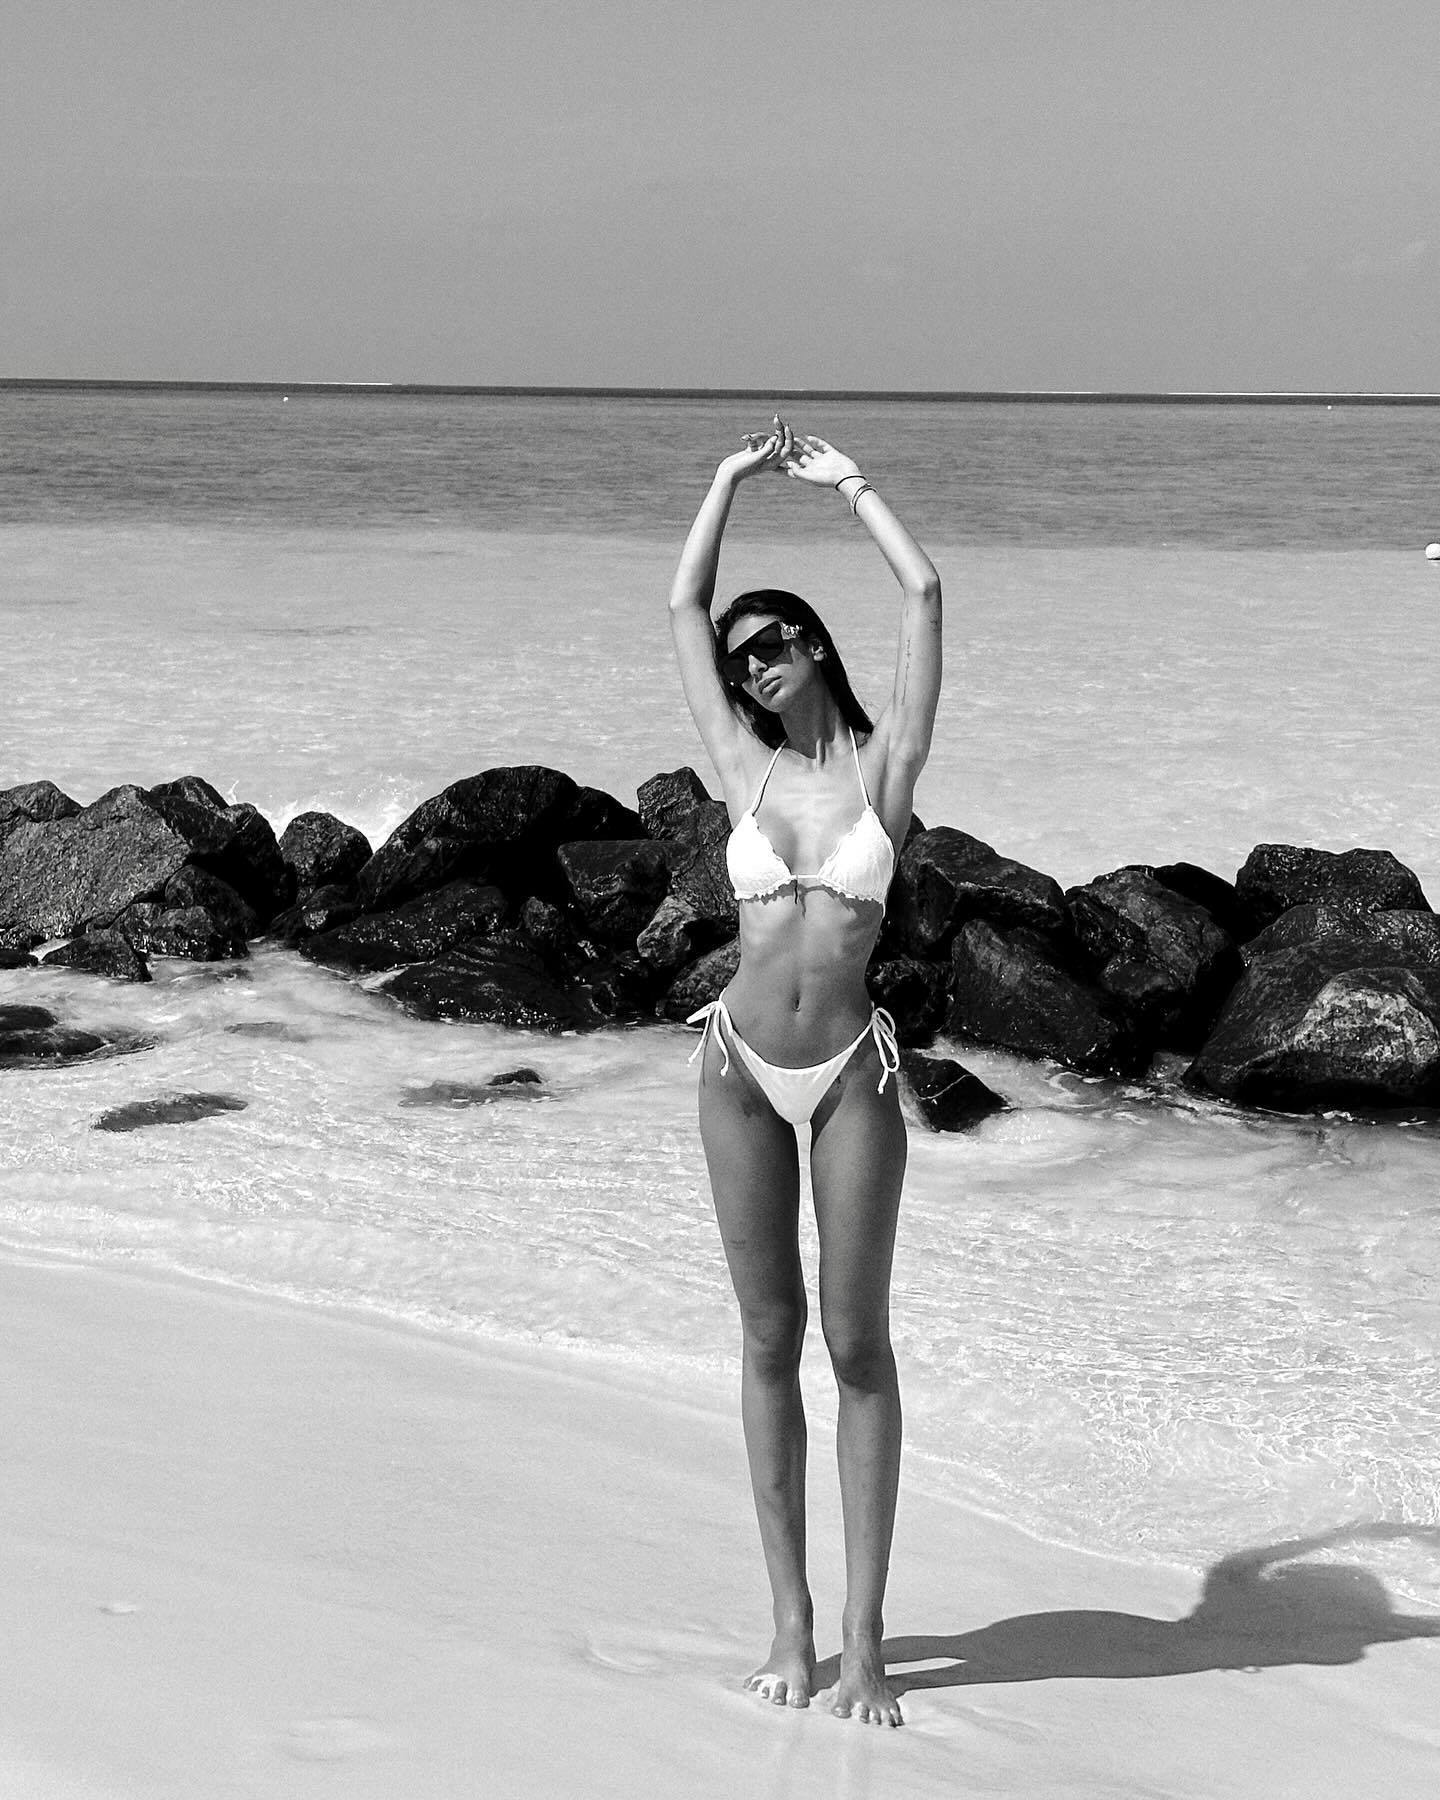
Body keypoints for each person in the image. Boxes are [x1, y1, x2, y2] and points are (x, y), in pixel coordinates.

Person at [668, 419, 943, 1726]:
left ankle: (867, 1642)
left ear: (816, 648)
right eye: (742, 662)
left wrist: (852, 491)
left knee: (857, 1344)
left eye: (774, 646)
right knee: (768, 1338)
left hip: (847, 1077)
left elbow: (925, 593)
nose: (755, 668)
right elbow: (683, 603)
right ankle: (791, 1625)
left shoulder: (885, 771)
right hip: (735, 1067)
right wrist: (727, 479)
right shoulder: (744, 768)